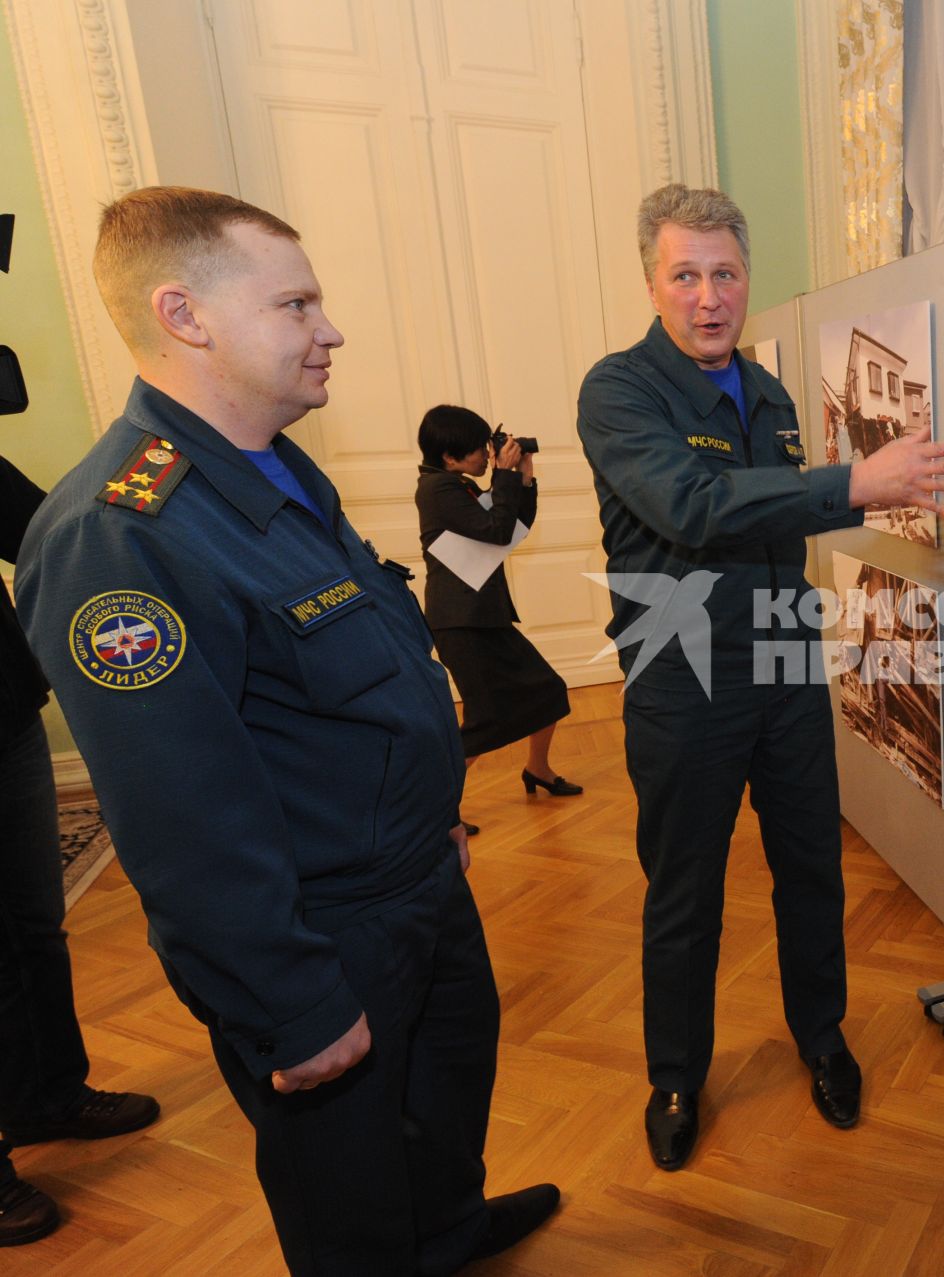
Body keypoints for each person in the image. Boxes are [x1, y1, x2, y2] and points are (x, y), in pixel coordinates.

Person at [15, 186, 556, 1275]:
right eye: (297, 304)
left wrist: (433, 822)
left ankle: (446, 1233)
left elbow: (360, 678)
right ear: (186, 314)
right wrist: (292, 1002)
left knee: (443, 1095)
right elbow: (183, 815)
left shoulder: (275, 461)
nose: (331, 328)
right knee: (344, 1182)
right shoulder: (119, 534)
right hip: (320, 931)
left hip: (415, 877)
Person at [575, 183, 944, 1173]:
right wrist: (856, 483)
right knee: (686, 889)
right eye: (686, 274)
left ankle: (823, 1037)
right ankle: (676, 1073)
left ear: (747, 279)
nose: (709, 296)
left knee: (810, 866)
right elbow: (694, 504)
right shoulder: (619, 390)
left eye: (726, 274)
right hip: (683, 676)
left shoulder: (772, 393)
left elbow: (776, 523)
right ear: (650, 280)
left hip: (786, 661)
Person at [1, 455, 161, 1248]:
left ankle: (48, 1096)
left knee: (32, 926)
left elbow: (48, 528)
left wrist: (147, 463)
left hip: (3, 717)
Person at [415, 404, 581, 824]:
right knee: (484, 719)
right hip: (461, 622)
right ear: (449, 458)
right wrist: (503, 477)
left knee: (548, 690)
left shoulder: (457, 485)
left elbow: (514, 524)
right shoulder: (438, 489)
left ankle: (537, 770)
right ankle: (436, 811)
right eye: (477, 450)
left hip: (484, 616)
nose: (487, 456)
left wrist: (522, 477)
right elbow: (497, 529)